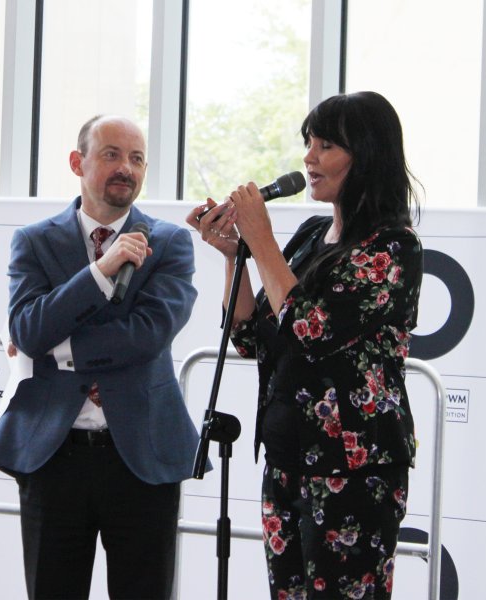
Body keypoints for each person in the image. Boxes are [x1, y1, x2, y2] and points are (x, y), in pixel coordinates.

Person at [186, 91, 423, 599]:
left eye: (325, 146)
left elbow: (311, 329)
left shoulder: (392, 246)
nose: (309, 159)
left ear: (367, 155)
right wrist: (236, 254)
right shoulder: (313, 234)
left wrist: (262, 240)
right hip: (286, 459)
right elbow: (250, 337)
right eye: (308, 144)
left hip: (354, 470)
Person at [0, 114, 202, 600]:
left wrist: (58, 350)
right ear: (76, 162)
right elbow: (28, 329)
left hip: (142, 455)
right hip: (53, 456)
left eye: (137, 158)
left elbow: (147, 335)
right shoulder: (34, 241)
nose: (127, 168)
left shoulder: (169, 243)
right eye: (111, 155)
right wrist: (102, 271)